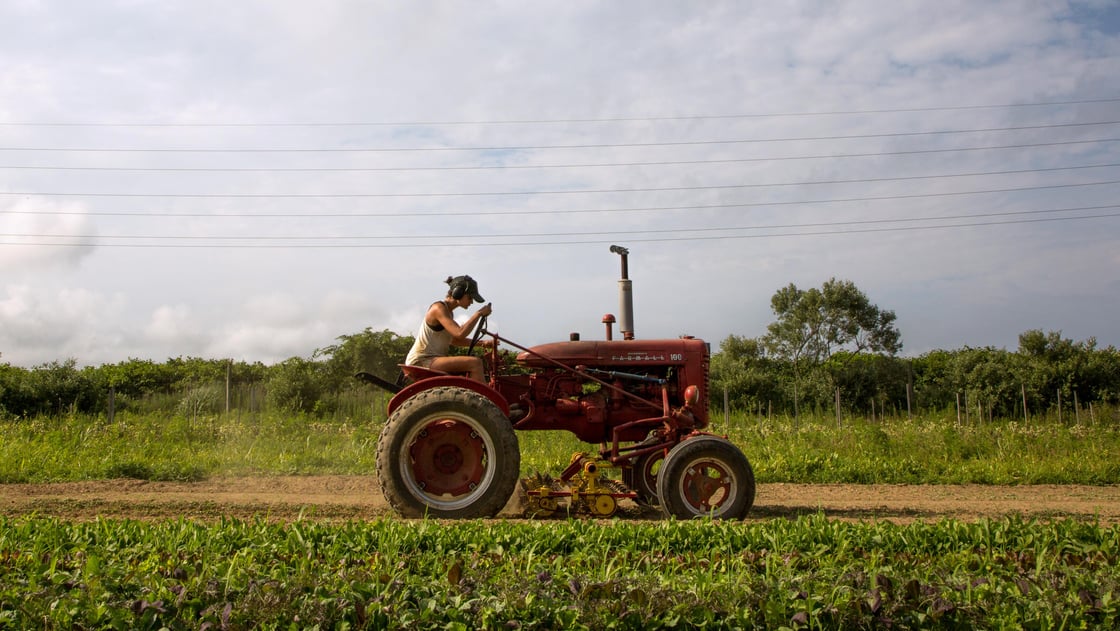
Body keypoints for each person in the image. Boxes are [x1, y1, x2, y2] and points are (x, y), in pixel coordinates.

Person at [405, 275, 494, 383]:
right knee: (475, 363)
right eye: (470, 297)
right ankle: (483, 398)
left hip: (432, 360)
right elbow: (459, 333)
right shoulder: (438, 308)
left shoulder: (448, 313)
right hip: (422, 361)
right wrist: (478, 314)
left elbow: (455, 340)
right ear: (458, 293)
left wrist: (484, 343)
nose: (471, 302)